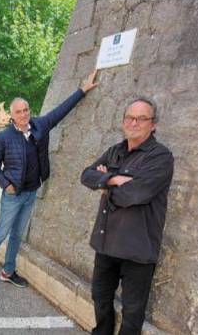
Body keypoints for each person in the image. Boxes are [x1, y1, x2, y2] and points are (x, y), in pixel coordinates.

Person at [0, 70, 99, 294]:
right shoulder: (4, 137)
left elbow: (62, 110)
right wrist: (7, 185)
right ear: (11, 115)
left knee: (17, 235)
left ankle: (8, 271)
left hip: (31, 191)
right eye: (18, 112)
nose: (23, 115)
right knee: (0, 235)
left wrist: (82, 89)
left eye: (26, 110)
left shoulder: (41, 125)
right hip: (13, 195)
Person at [81, 98, 174, 335]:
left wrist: (103, 186)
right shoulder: (115, 151)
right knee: (100, 297)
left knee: (132, 313)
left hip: (137, 250)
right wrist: (112, 180)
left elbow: (134, 194)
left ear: (153, 124)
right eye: (129, 117)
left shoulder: (160, 157)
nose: (134, 122)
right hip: (105, 243)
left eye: (141, 118)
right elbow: (86, 175)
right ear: (123, 121)